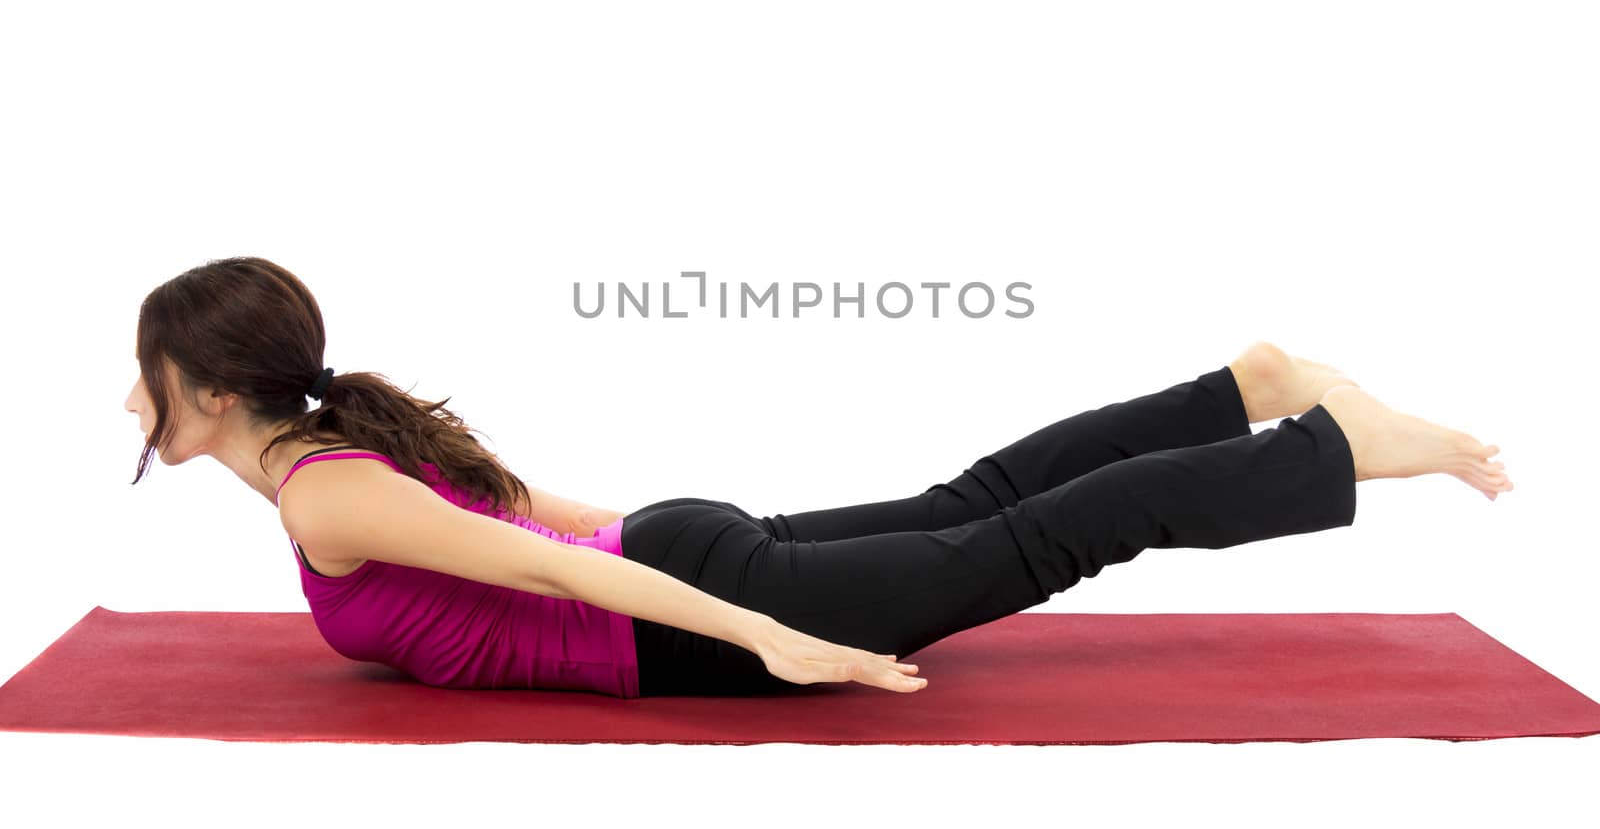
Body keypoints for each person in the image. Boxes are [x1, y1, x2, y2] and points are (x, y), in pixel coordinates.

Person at [125, 256, 1513, 699]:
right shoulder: (338, 454)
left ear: (214, 391)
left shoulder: (320, 494)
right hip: (680, 560)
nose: (130, 395)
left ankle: (1327, 449)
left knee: (1034, 540)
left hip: (680, 613)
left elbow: (544, 561)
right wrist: (724, 552)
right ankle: (1239, 393)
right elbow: (528, 509)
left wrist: (773, 632)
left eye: (149, 372)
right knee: (975, 506)